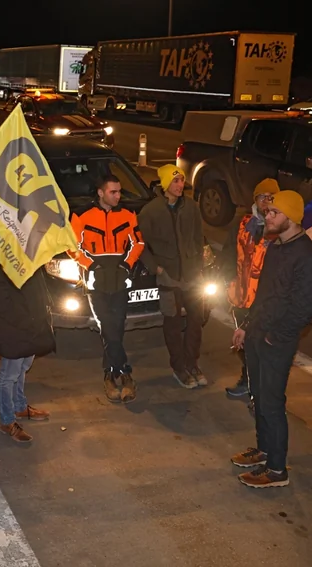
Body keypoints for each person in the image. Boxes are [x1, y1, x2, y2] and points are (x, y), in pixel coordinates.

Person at [230, 190, 312, 488]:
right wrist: (246, 325)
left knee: (272, 402)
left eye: (274, 213)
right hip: (259, 333)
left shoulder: (308, 257)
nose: (267, 216)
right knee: (258, 396)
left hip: (276, 341)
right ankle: (264, 449)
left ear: (291, 217)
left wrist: (275, 337)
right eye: (268, 212)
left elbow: (303, 309)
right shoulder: (276, 247)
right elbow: (264, 297)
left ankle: (276, 469)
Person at [69, 174, 144, 403]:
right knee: (107, 327)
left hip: (120, 280)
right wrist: (91, 265)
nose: (118, 196)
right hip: (96, 281)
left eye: (119, 191)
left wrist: (127, 264)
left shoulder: (128, 214)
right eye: (113, 192)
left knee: (116, 327)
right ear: (101, 193)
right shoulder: (81, 215)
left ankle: (111, 374)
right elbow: (71, 247)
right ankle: (125, 373)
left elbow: (139, 242)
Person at [139, 164, 207, 389]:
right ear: (165, 184)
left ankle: (192, 363)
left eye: (181, 181)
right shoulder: (151, 212)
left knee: (196, 320)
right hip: (168, 277)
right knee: (173, 323)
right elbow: (140, 245)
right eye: (175, 181)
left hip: (192, 275)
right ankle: (179, 367)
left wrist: (199, 263)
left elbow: (198, 238)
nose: (180, 186)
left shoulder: (192, 208)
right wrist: (155, 268)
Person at [0, 254, 54, 443]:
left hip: (32, 323)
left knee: (23, 367)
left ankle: (20, 406)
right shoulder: (0, 259)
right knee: (9, 374)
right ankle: (7, 421)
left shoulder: (30, 253)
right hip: (15, 327)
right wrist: (23, 321)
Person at [223, 178, 279, 403]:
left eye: (270, 198)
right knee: (244, 346)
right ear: (254, 200)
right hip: (242, 298)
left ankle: (263, 393)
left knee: (264, 348)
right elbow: (229, 254)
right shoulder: (244, 223)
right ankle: (247, 381)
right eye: (261, 197)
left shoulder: (279, 228)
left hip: (265, 303)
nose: (265, 202)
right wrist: (226, 281)